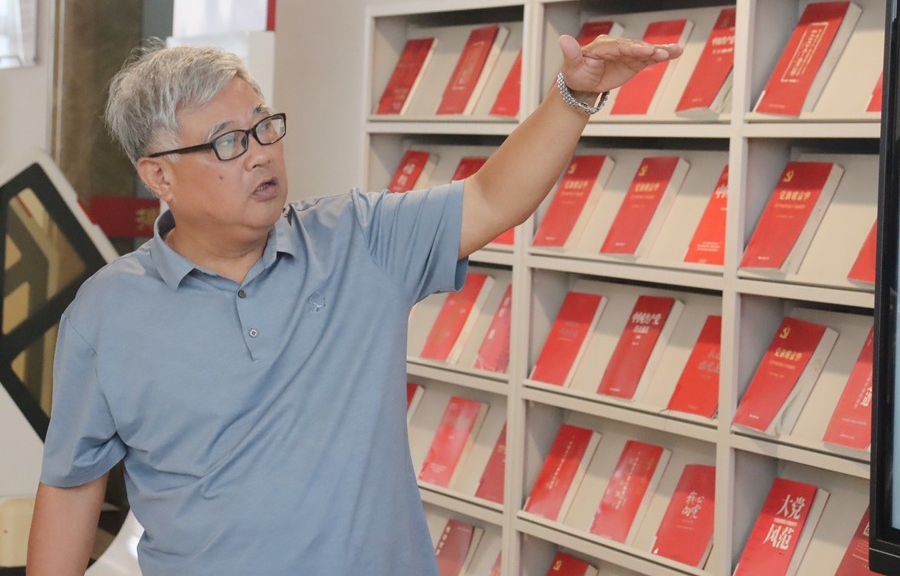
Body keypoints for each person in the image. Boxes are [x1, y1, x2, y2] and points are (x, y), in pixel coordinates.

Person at [26, 33, 681, 576]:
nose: (260, 155)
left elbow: (491, 198)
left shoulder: (359, 239)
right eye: (229, 142)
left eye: (264, 127)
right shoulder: (107, 314)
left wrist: (574, 95)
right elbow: (72, 484)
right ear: (159, 175)